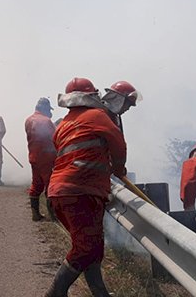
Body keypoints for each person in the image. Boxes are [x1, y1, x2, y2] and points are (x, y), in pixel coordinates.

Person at [45, 77, 127, 297]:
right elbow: (118, 144)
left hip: (59, 192)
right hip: (81, 192)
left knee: (93, 246)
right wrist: (119, 170)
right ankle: (56, 292)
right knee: (85, 247)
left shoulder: (62, 124)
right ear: (92, 96)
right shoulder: (97, 116)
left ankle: (100, 293)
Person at [24, 97, 57, 221]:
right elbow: (55, 138)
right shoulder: (47, 121)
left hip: (34, 156)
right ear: (45, 108)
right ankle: (53, 216)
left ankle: (35, 214)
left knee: (36, 184)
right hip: (46, 158)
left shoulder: (28, 120)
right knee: (50, 185)